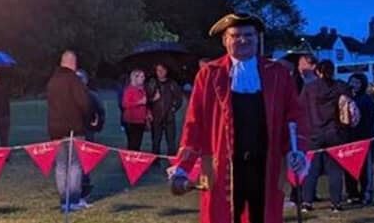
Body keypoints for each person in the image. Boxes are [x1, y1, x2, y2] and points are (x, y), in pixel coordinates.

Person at [170, 13, 309, 223]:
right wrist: (182, 166)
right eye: (235, 35)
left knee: (262, 215)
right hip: (221, 166)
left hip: (266, 164)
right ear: (225, 40)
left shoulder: (278, 74)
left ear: (257, 38)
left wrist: (295, 150)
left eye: (249, 35)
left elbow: (294, 116)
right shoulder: (209, 74)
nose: (243, 40)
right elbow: (194, 123)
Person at [300, 60, 350, 213]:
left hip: (314, 133)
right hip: (335, 133)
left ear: (318, 71)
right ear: (333, 71)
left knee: (311, 169)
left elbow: (300, 107)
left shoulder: (309, 88)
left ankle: (307, 202)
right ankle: (336, 203)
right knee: (335, 170)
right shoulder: (340, 86)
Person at [47, 51, 91, 213]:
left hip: (55, 130)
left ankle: (63, 199)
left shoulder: (52, 81)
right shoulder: (74, 80)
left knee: (60, 165)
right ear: (72, 62)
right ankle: (73, 200)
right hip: (74, 128)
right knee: (74, 165)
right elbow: (84, 103)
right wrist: (88, 116)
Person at [344, 73, 374, 206]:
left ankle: (366, 194)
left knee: (365, 169)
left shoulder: (367, 99)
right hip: (349, 139)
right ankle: (352, 194)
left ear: (362, 84)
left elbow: (369, 121)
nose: (354, 85)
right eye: (352, 82)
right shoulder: (346, 98)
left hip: (365, 139)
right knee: (349, 168)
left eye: (357, 82)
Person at [77, 69, 104, 207]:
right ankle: (72, 194)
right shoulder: (68, 96)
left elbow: (100, 113)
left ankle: (83, 193)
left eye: (81, 79)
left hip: (87, 134)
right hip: (70, 134)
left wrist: (96, 124)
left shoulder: (92, 96)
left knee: (84, 165)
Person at [148, 63, 184, 156]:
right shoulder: (152, 83)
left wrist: (173, 108)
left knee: (171, 140)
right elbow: (147, 99)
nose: (160, 72)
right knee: (156, 140)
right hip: (156, 116)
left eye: (162, 70)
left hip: (169, 117)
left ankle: (171, 160)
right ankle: (155, 160)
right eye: (158, 70)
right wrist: (153, 99)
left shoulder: (172, 84)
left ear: (166, 71)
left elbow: (179, 99)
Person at [121, 69, 156, 151]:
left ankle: (134, 161)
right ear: (135, 78)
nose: (143, 78)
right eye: (141, 76)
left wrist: (148, 113)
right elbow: (125, 104)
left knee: (138, 144)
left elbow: (145, 104)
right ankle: (130, 162)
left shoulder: (142, 90)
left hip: (140, 121)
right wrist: (139, 102)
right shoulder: (129, 90)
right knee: (133, 144)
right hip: (131, 121)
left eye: (143, 76)